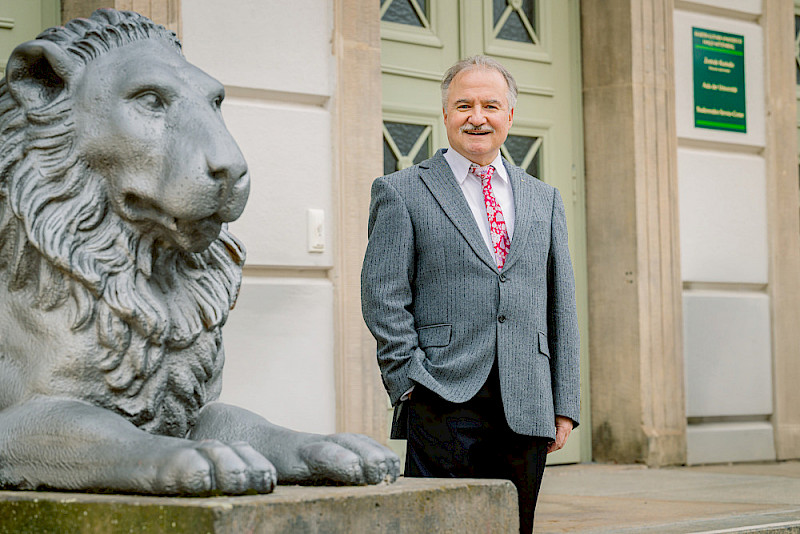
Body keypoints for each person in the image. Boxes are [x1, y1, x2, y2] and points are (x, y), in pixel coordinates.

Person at [361, 55, 580, 534]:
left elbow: (560, 305)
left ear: (509, 116)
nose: (476, 117)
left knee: (514, 526)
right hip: (441, 394)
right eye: (463, 105)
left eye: (489, 105)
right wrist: (408, 380)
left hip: (526, 400)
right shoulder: (402, 191)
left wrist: (565, 402)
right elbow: (382, 294)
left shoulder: (544, 198)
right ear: (445, 116)